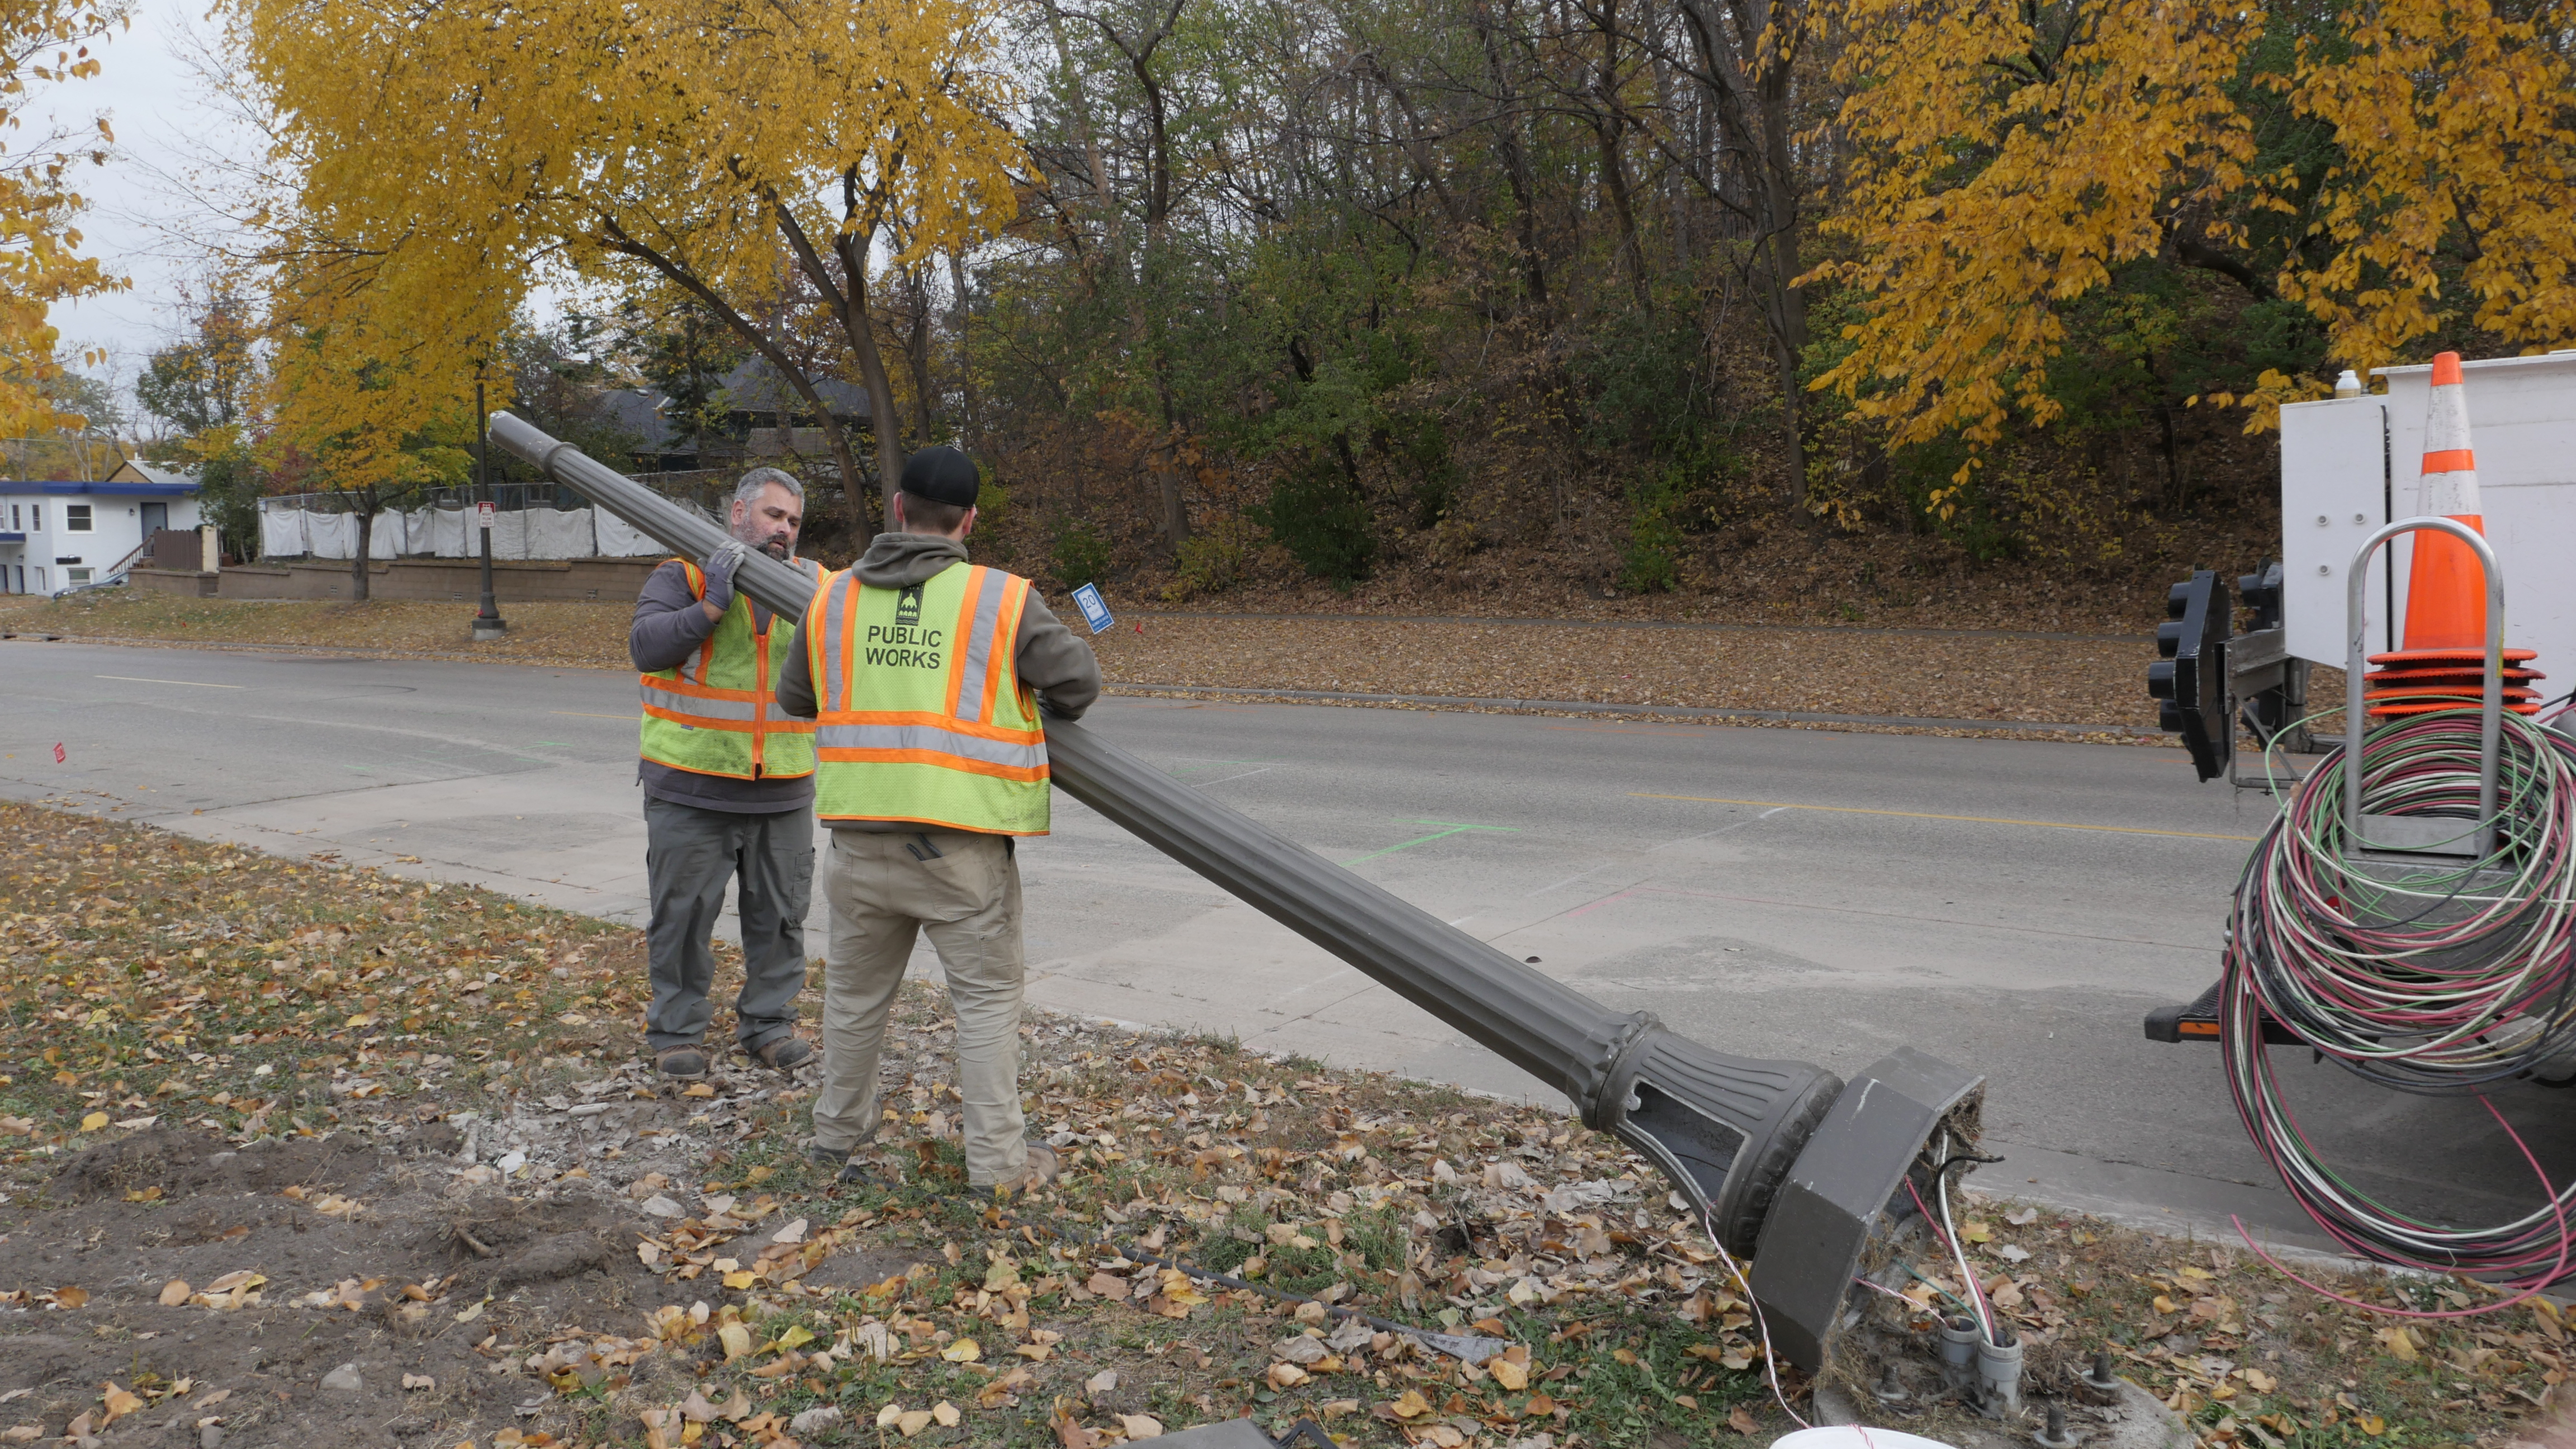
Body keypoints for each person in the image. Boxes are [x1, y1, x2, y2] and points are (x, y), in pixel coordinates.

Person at [778, 446, 1100, 1193]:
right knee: (985, 1006)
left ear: (898, 509)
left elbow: (799, 697)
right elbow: (1079, 682)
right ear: (970, 519)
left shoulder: (833, 598)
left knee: (854, 1002)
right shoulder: (1003, 600)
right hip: (958, 851)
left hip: (858, 844)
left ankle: (836, 1141)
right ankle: (996, 1168)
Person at [629, 467, 823, 1081]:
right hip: (692, 787)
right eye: (773, 516)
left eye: (793, 521)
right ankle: (678, 1031)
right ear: (738, 514)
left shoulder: (817, 585)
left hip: (783, 791)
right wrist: (713, 603)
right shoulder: (681, 575)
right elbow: (647, 647)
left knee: (781, 919)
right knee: (683, 917)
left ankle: (769, 1025)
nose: (784, 531)